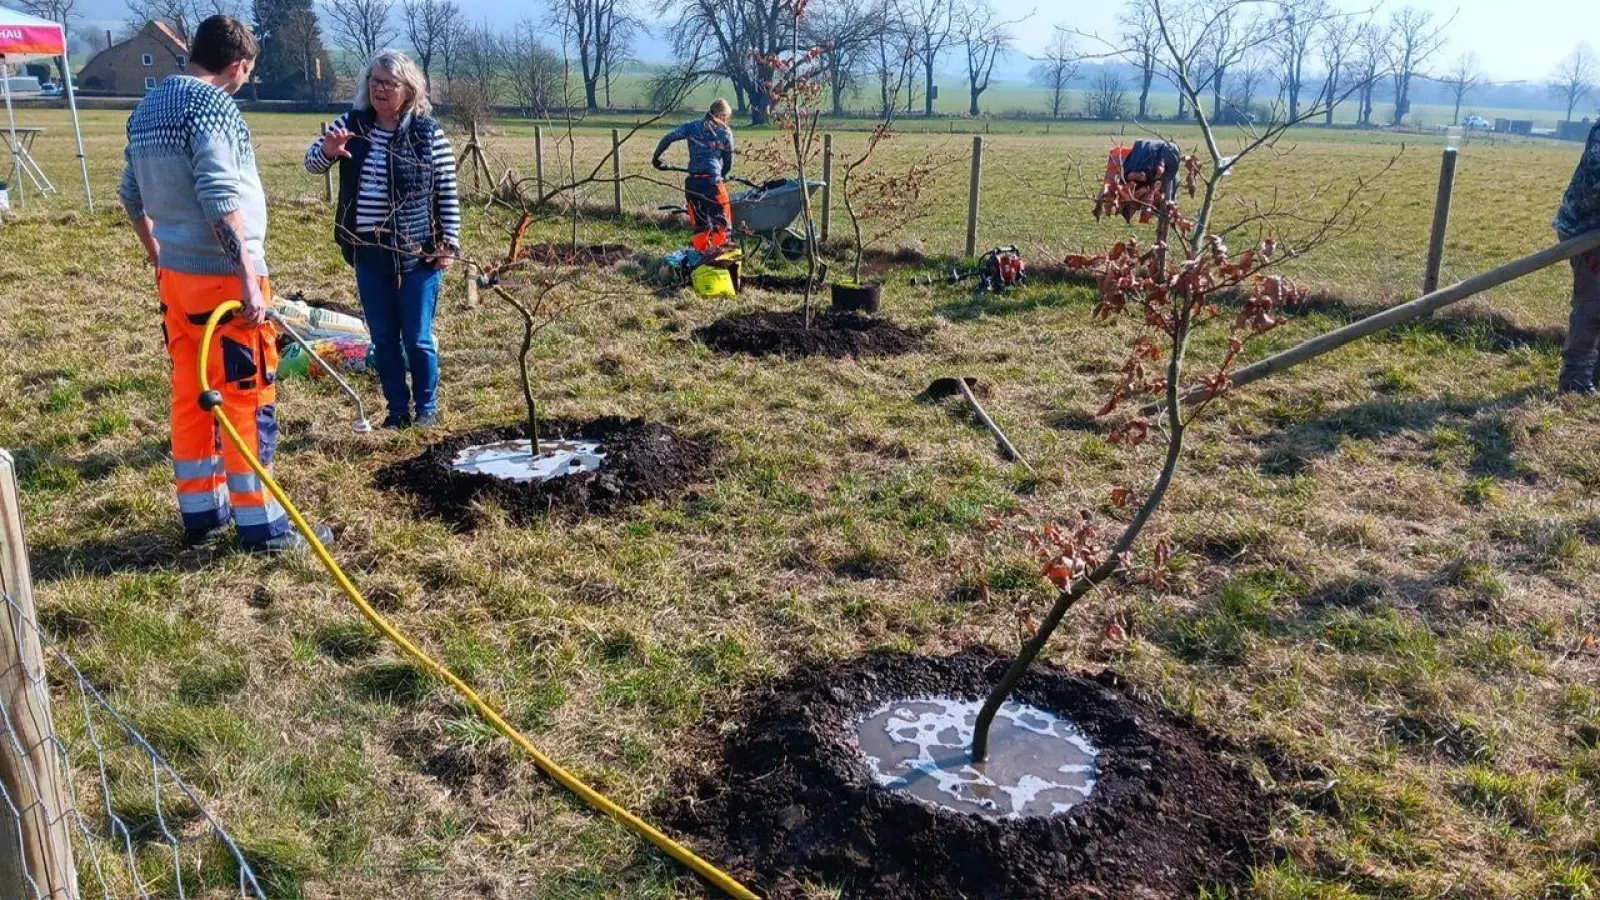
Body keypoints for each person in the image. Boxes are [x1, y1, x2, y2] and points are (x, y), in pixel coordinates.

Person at [120, 15, 332, 554]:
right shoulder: (212, 107)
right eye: (248, 71)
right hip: (224, 286)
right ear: (238, 65)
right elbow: (219, 195)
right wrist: (248, 281)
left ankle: (201, 513)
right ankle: (262, 527)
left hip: (178, 283)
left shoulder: (147, 110)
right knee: (245, 396)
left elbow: (130, 196)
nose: (245, 80)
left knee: (192, 395)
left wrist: (159, 256)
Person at [304, 49, 460, 429]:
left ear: (408, 89)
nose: (380, 89)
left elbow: (446, 191)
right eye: (374, 81)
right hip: (368, 253)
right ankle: (396, 411)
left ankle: (427, 409)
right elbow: (312, 163)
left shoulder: (427, 133)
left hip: (417, 252)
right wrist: (327, 151)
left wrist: (449, 243)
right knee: (384, 338)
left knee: (418, 338)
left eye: (389, 83)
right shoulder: (352, 124)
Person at [652, 99, 736, 254]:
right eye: (727, 118)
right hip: (713, 184)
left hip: (693, 184)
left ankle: (702, 260)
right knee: (722, 225)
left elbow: (668, 138)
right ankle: (720, 260)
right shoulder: (725, 132)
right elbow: (728, 163)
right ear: (722, 116)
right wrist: (722, 176)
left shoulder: (691, 126)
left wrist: (656, 158)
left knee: (700, 226)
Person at [1554, 119, 1600, 395]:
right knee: (1593, 304)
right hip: (1586, 231)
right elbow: (1594, 183)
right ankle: (1575, 381)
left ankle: (1594, 371)